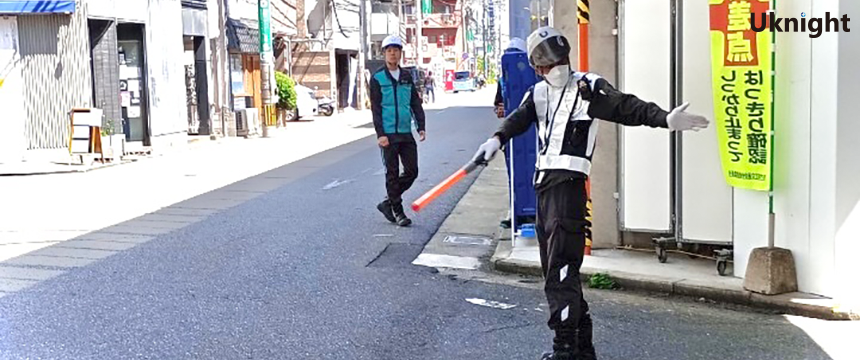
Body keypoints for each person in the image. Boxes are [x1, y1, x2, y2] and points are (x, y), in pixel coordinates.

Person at [472, 27, 709, 360]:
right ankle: (582, 350)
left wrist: (664, 118)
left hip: (567, 190)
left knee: (561, 271)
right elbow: (517, 120)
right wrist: (496, 140)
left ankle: (565, 350)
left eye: (555, 61)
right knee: (555, 270)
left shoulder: (588, 87)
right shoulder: (538, 93)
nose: (552, 68)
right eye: (546, 63)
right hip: (544, 188)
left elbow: (627, 106)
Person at [370, 35, 426, 227]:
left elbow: (415, 103)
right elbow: (376, 108)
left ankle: (387, 201)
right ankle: (398, 211)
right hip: (388, 134)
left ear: (401, 53)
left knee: (412, 171)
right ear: (384, 53)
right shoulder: (377, 77)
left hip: (405, 131)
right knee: (392, 174)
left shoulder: (406, 76)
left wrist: (421, 126)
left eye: (396, 50)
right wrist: (381, 134)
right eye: (389, 50)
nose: (393, 53)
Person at [493, 37, 527, 229]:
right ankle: (515, 211)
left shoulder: (535, 78)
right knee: (513, 175)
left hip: (530, 137)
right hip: (512, 136)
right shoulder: (503, 79)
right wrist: (499, 109)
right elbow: (498, 103)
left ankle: (531, 211)